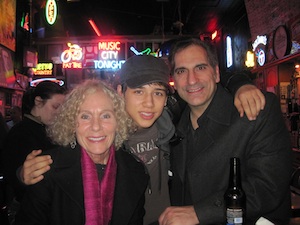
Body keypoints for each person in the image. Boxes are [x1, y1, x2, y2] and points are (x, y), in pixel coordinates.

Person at [19, 54, 266, 224]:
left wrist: (241, 83)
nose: (149, 103)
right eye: (138, 91)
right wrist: (22, 173)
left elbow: (203, 88)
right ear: (119, 93)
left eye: (157, 93)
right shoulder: (102, 137)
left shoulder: (175, 127)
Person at [158, 37, 292, 225]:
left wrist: (199, 213)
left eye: (201, 67)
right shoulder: (173, 125)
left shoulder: (256, 110)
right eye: (182, 71)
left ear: (217, 74)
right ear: (174, 80)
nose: (191, 80)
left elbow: (268, 187)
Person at [14, 79, 149, 225]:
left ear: (118, 121)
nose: (96, 127)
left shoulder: (135, 171)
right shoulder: (46, 169)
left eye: (105, 116)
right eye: (85, 116)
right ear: (71, 123)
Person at [1, 80, 66, 223]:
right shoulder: (22, 133)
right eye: (55, 107)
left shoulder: (48, 130)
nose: (59, 113)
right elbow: (13, 177)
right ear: (38, 102)